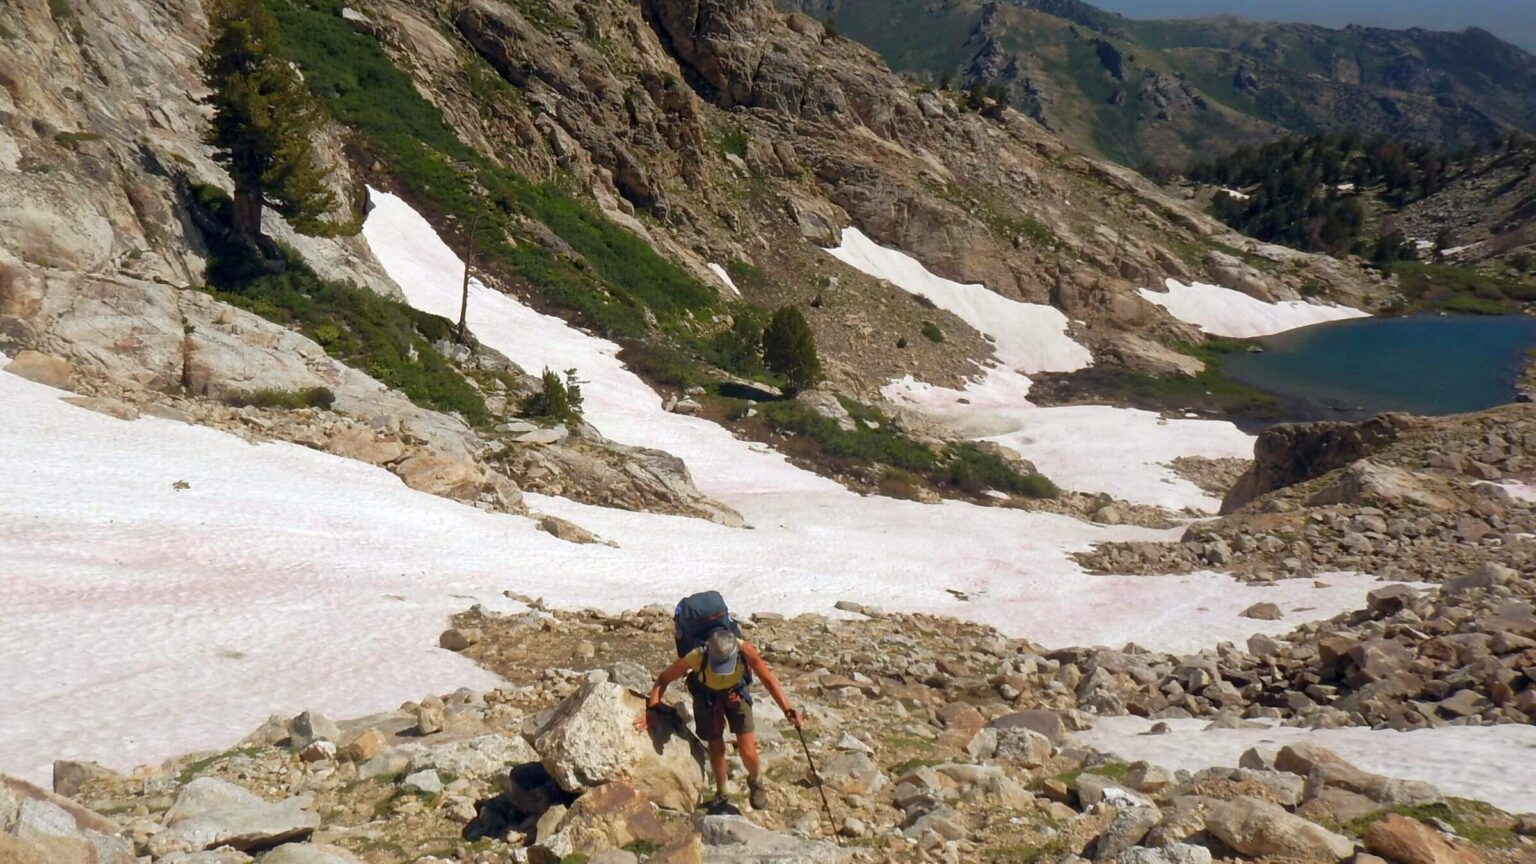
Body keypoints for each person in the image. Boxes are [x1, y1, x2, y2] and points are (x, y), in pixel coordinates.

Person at [634, 627, 800, 810]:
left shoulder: (745, 650)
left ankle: (755, 782)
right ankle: (722, 793)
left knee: (748, 750)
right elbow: (663, 679)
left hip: (735, 695)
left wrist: (788, 710)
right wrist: (653, 710)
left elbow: (768, 680)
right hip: (706, 698)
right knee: (716, 748)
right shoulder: (697, 656)